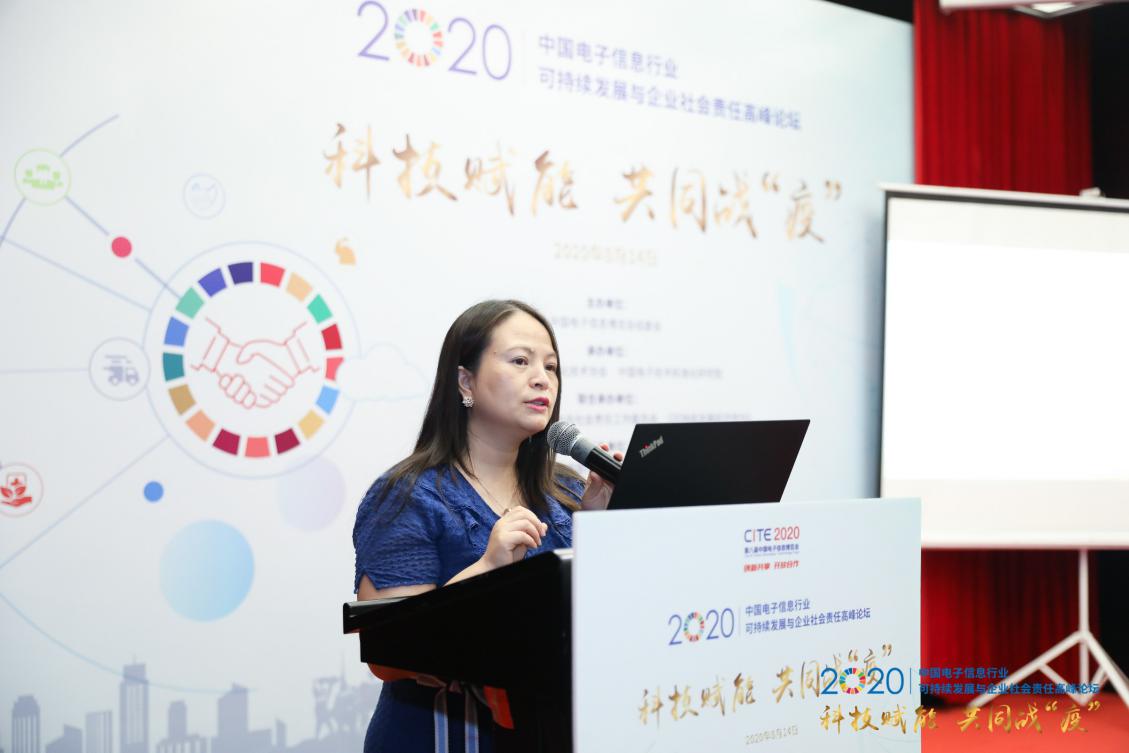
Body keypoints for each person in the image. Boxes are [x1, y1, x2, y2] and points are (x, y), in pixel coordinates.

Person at [353, 299, 623, 753]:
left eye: (551, 367)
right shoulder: (406, 496)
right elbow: (386, 653)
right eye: (520, 361)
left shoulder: (569, 489)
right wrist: (488, 569)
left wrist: (599, 529)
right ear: (466, 381)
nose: (542, 378)